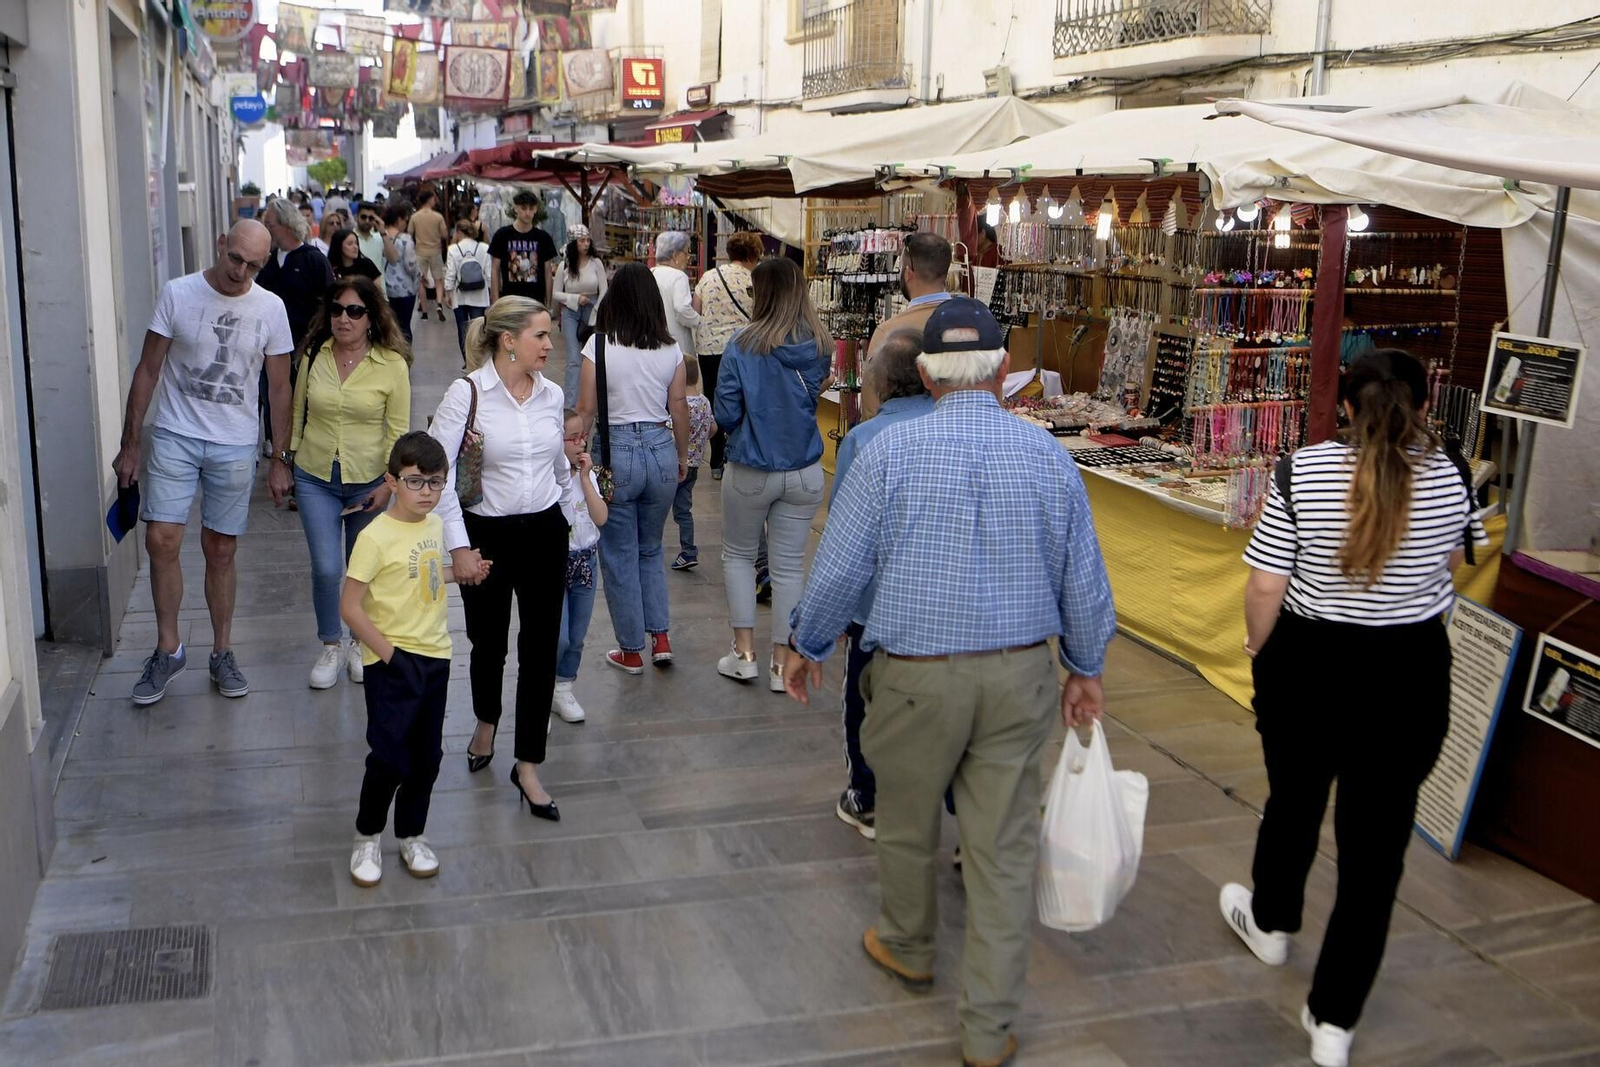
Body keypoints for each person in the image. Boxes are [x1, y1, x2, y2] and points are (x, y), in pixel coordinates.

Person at [783, 297, 1116, 1067]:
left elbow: (840, 566)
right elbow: (1086, 582)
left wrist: (806, 641)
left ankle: (907, 942)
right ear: (1004, 371)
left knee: (904, 820)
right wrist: (1087, 668)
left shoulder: (884, 456)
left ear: (927, 377)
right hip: (1019, 675)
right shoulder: (1047, 457)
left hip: (913, 680)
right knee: (1001, 850)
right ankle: (987, 1027)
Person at [1221, 349, 1486, 1067]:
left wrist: (1255, 648)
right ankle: (1334, 1019)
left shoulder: (1302, 469)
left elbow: (1266, 584)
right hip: (1409, 670)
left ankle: (1273, 921)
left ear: (1342, 406)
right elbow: (1460, 562)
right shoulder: (1454, 472)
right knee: (1377, 850)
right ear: (1427, 408)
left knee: (1294, 800)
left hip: (1310, 663)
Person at [112, 220, 297, 706]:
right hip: (175, 432)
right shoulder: (178, 294)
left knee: (220, 549)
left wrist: (280, 458)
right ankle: (168, 648)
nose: (241, 271)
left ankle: (221, 650)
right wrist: (131, 444)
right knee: (161, 538)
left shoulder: (271, 308)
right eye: (236, 258)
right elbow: (148, 369)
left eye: (254, 265)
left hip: (235, 443)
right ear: (221, 245)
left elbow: (279, 388)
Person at [428, 297, 569, 821]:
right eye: (540, 335)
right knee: (487, 642)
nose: (551, 345)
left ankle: (528, 764)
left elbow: (558, 468)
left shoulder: (552, 395)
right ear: (508, 340)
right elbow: (438, 479)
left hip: (545, 533)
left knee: (539, 649)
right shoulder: (466, 394)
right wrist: (460, 547)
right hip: (485, 533)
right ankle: (487, 718)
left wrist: (571, 520)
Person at [342, 431, 484, 888]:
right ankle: (367, 836)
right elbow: (350, 606)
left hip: (436, 655)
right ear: (392, 481)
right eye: (416, 482)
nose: (427, 493)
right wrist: (389, 656)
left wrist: (459, 573)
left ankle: (412, 834)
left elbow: (421, 576)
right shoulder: (374, 536)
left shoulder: (435, 527)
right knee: (388, 755)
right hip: (391, 660)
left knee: (427, 755)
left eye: (436, 483)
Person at [827, 330, 936, 839]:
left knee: (863, 704)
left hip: (875, 610)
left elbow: (847, 535)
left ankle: (867, 796)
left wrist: (820, 627)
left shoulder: (863, 440)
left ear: (878, 384)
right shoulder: (952, 430)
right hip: (943, 610)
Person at [712, 257, 832, 693]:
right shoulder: (821, 343)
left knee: (740, 557)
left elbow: (726, 413)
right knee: (788, 569)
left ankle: (744, 655)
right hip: (804, 470)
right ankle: (783, 666)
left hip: (751, 467)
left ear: (762, 295)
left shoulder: (741, 344)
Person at [290, 278, 412, 690]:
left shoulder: (391, 365)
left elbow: (398, 430)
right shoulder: (313, 354)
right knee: (327, 568)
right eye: (337, 309)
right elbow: (297, 412)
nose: (344, 318)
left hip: (369, 483)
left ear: (371, 317)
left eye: (355, 311)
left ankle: (361, 642)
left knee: (363, 571)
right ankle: (331, 644)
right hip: (315, 476)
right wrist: (286, 459)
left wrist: (389, 485)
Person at [576, 262, 689, 675]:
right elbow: (678, 407)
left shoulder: (598, 347)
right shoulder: (670, 348)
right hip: (660, 450)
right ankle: (660, 637)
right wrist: (681, 457)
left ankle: (630, 649)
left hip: (614, 454)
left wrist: (574, 459)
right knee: (652, 549)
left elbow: (586, 411)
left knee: (619, 552)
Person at [552, 409, 609, 725]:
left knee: (576, 635)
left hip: (586, 562)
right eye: (571, 438)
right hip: (555, 563)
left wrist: (586, 479)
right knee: (556, 636)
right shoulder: (549, 478)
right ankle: (542, 686)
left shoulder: (587, 476)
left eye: (582, 436)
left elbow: (601, 518)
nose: (580, 442)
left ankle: (564, 686)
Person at [692, 230, 761, 478]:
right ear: (753, 254)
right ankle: (737, 452)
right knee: (743, 397)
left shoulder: (709, 277)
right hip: (743, 347)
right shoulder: (755, 280)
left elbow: (695, 310)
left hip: (709, 347)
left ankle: (715, 462)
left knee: (712, 396)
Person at [861, 232, 952, 418]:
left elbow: (871, 409)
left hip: (899, 437)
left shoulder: (889, 333)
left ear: (908, 273)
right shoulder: (973, 325)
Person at [259, 197, 336, 352]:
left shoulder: (314, 260)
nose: (266, 230)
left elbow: (329, 301)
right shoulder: (268, 260)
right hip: (270, 345)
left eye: (270, 225)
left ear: (287, 225)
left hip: (304, 346)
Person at [552, 224, 607, 407]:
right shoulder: (565, 265)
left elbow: (604, 290)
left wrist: (596, 310)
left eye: (587, 240)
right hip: (571, 312)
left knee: (592, 357)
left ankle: (592, 400)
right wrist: (575, 298)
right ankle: (570, 403)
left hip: (592, 310)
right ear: (573, 243)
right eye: (581, 240)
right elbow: (556, 293)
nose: (585, 244)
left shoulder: (596, 263)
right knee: (574, 358)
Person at [670, 357, 714, 572]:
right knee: (684, 509)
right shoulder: (704, 401)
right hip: (695, 464)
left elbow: (671, 432)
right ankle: (688, 550)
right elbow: (713, 428)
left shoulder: (679, 405)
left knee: (657, 508)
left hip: (675, 464)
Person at [489, 189, 557, 305]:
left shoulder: (543, 238)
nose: (528, 213)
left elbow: (547, 272)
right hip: (510, 300)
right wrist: (495, 301)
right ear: (516, 208)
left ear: (536, 209)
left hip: (536, 300)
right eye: (524, 208)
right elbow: (495, 270)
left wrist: (549, 304)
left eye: (531, 208)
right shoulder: (502, 235)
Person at [443, 218, 493, 366]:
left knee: (462, 329)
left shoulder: (453, 249)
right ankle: (478, 359)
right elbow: (489, 273)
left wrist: (447, 293)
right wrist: (490, 292)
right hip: (480, 294)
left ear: (458, 232)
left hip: (460, 296)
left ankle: (467, 361)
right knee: (478, 329)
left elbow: (450, 273)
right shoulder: (483, 248)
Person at [651, 230, 702, 360]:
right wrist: (699, 321)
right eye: (686, 253)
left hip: (653, 342)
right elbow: (682, 309)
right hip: (677, 344)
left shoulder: (650, 273)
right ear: (675, 255)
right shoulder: (678, 276)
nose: (688, 257)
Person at [408, 187, 450, 323]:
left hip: (420, 252)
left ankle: (424, 311)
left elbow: (409, 234)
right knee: (438, 279)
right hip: (435, 251)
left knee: (421, 281)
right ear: (430, 200)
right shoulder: (438, 217)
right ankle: (439, 304)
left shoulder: (415, 217)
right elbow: (444, 234)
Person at [383, 201, 420, 344]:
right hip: (405, 290)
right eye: (406, 220)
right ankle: (404, 358)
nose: (406, 223)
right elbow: (410, 265)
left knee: (389, 326)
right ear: (399, 219)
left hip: (385, 289)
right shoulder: (405, 239)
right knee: (404, 327)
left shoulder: (379, 237)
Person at [355, 204, 390, 273]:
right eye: (363, 217)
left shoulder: (380, 237)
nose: (367, 221)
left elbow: (393, 259)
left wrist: (383, 232)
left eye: (371, 218)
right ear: (356, 217)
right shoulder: (350, 238)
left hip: (379, 283)